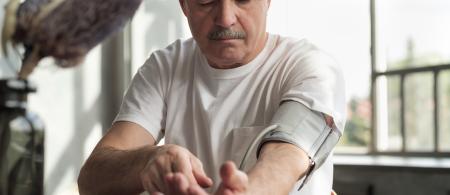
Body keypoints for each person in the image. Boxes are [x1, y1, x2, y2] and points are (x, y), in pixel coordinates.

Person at [78, 0, 346, 194]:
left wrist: (247, 191)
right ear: (184, 6)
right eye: (206, 1)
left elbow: (287, 158)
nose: (226, 17)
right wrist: (148, 160)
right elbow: (92, 179)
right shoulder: (165, 67)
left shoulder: (311, 66)